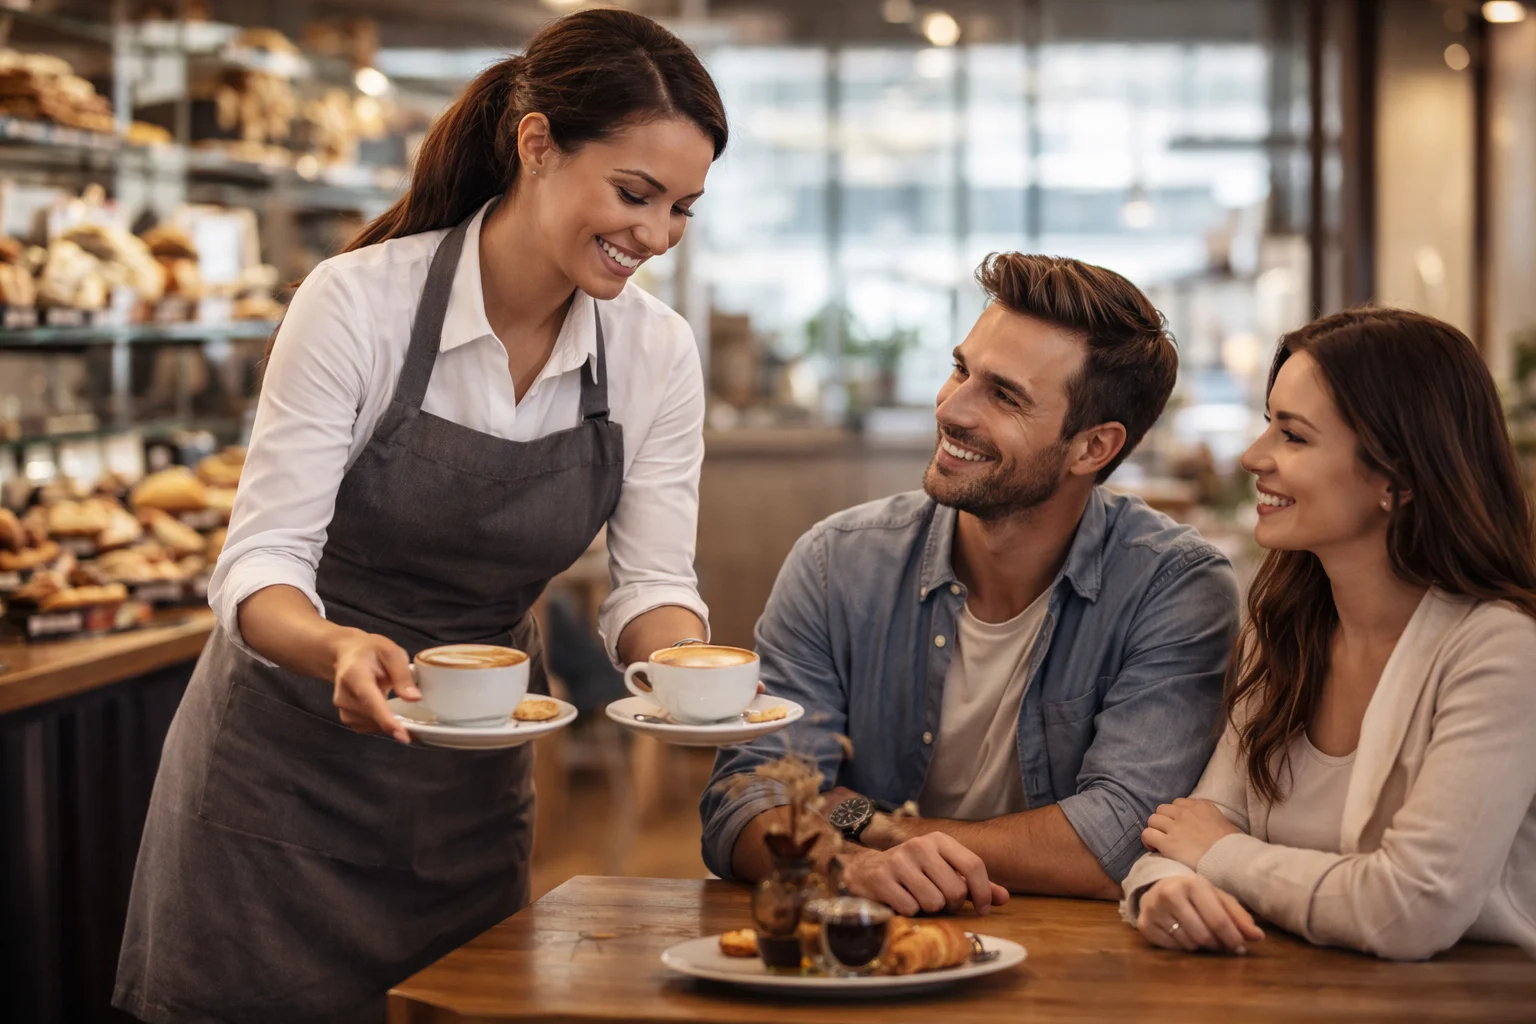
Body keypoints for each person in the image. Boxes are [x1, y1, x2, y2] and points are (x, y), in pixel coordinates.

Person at [114, 10, 727, 1022]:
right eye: (635, 193)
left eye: (683, 210)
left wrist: (696, 678)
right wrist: (337, 647)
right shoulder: (357, 303)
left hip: (468, 796)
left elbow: (653, 586)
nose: (656, 236)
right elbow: (259, 565)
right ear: (537, 145)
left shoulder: (656, 353)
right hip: (278, 787)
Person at [700, 254, 1239, 914]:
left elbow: (1115, 839)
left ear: (1093, 448)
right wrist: (846, 862)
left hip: (1082, 972)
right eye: (961, 369)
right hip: (870, 947)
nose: (952, 409)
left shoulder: (1174, 588)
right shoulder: (837, 562)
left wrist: (875, 825)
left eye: (1005, 395)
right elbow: (749, 797)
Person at [1122, 308, 1536, 961]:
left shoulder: (1499, 652)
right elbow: (1188, 829)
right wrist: (1166, 891)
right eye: (1268, 425)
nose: (1253, 457)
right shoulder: (1284, 622)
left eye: (1293, 435)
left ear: (1394, 479)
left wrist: (1220, 857)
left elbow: (1409, 908)